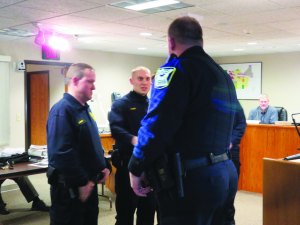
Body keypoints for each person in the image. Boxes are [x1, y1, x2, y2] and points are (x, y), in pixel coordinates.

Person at [128, 16, 239, 225]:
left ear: (171, 42)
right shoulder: (221, 74)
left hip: (192, 179)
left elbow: (156, 125)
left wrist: (136, 166)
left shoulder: (175, 70)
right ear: (201, 40)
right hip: (224, 171)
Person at [46, 63, 111, 225]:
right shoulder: (62, 110)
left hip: (88, 184)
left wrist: (103, 166)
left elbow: (90, 144)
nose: (94, 87)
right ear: (75, 81)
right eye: (90, 81)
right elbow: (61, 153)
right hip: (71, 189)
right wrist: (82, 181)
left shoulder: (84, 109)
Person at [108, 66, 156, 225]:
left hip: (150, 166)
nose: (144, 82)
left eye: (147, 79)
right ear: (131, 81)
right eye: (140, 78)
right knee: (125, 214)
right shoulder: (121, 104)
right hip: (127, 164)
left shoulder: (154, 104)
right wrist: (134, 139)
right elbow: (116, 129)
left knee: (148, 212)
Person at [226, 102, 247, 225]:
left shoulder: (234, 104)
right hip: (212, 152)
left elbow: (241, 124)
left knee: (229, 195)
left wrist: (231, 142)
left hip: (231, 151)